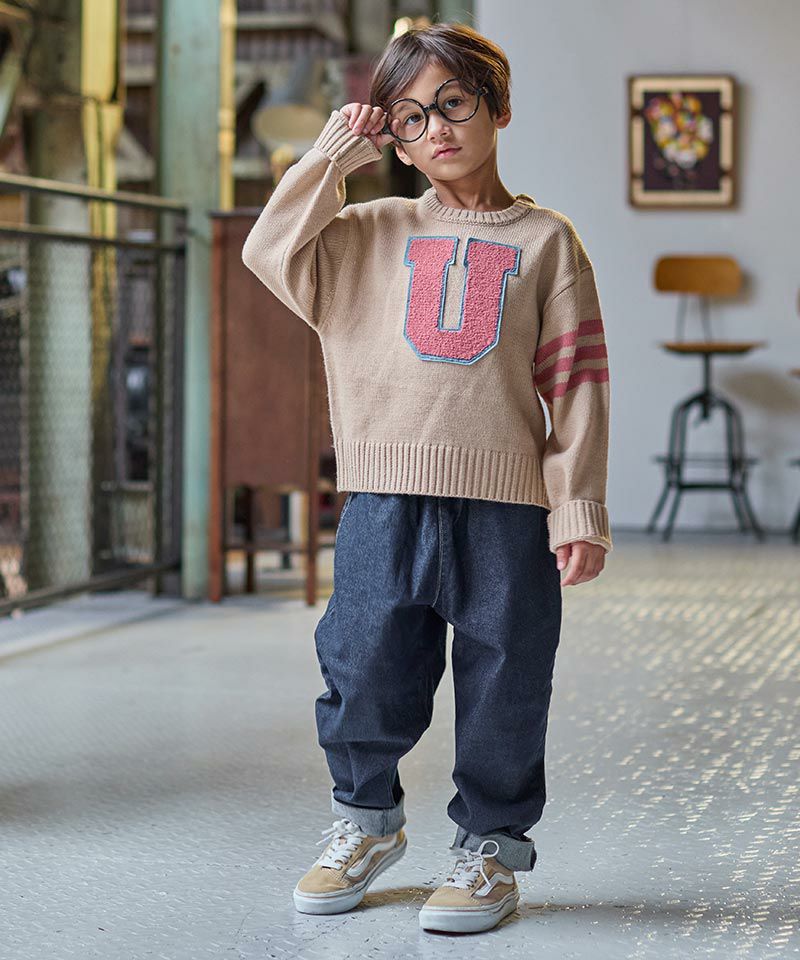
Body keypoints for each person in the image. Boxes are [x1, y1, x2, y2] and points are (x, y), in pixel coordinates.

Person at [241, 20, 612, 935]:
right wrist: (336, 153)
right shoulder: (363, 234)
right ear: (393, 138)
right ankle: (366, 824)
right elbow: (267, 249)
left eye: (453, 104)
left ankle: (490, 849)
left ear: (498, 108)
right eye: (409, 117)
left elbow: (575, 383)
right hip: (384, 498)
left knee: (506, 677)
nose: (436, 128)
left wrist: (577, 505)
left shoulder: (547, 242)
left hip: (508, 507)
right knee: (362, 666)